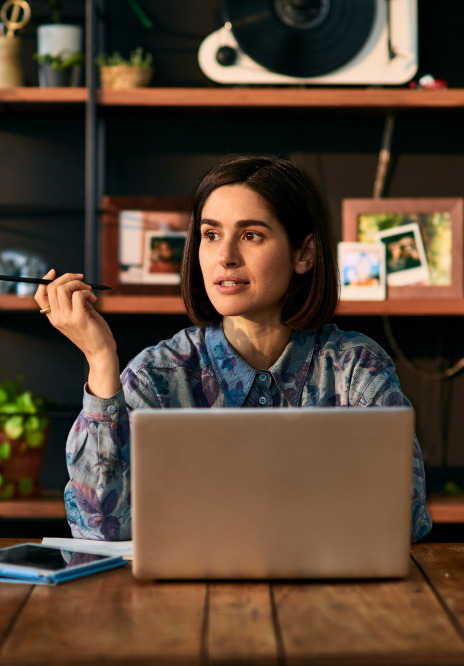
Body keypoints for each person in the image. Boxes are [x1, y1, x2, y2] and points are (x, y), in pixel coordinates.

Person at [35, 155, 432, 543]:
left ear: (304, 254)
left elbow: (404, 518)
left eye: (251, 235)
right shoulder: (158, 375)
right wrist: (100, 360)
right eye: (211, 235)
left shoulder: (355, 368)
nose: (225, 257)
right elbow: (99, 527)